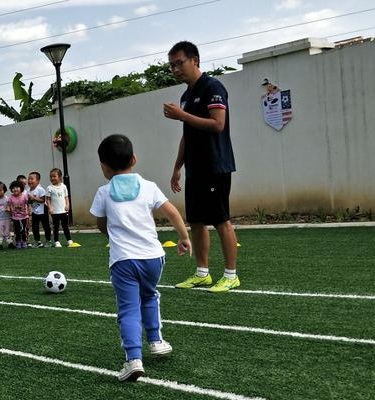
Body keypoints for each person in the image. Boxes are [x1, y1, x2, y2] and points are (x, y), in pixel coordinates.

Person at [90, 134, 192, 381]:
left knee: (128, 309)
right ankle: (156, 341)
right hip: (153, 258)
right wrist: (184, 237)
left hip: (123, 261)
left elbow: (100, 223)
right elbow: (171, 212)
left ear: (104, 167)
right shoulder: (149, 186)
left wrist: (111, 234)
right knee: (149, 296)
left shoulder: (103, 193)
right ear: (134, 159)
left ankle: (134, 359)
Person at [164, 41, 240, 293]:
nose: (175, 69)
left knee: (221, 220)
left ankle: (231, 275)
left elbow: (217, 124)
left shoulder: (213, 87)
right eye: (171, 65)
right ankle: (202, 273)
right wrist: (177, 167)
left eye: (179, 63)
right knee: (196, 221)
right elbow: (188, 134)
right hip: (195, 168)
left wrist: (182, 115)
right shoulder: (186, 95)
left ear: (194, 60)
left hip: (215, 165)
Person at [47, 168, 79, 248]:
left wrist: (68, 205)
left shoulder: (64, 186)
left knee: (65, 226)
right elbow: (48, 199)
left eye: (54, 176)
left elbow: (66, 197)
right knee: (56, 227)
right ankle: (57, 241)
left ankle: (69, 240)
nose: (52, 178)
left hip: (63, 211)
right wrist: (50, 207)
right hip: (55, 212)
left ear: (60, 177)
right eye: (51, 177)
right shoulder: (49, 188)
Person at [26, 171, 51, 248]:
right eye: (29, 179)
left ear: (37, 181)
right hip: (35, 211)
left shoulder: (40, 189)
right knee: (35, 227)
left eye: (32, 179)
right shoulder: (28, 191)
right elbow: (29, 202)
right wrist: (29, 200)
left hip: (43, 210)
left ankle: (48, 240)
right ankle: (37, 241)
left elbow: (43, 200)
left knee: (46, 226)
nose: (30, 181)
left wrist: (33, 198)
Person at [7, 180, 30, 249]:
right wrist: (8, 209)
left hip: (24, 217)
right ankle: (18, 242)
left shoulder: (24, 196)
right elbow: (9, 205)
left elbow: (28, 204)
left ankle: (24, 241)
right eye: (13, 188)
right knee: (16, 230)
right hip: (15, 217)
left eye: (17, 187)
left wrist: (28, 212)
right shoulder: (11, 197)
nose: (15, 189)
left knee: (23, 230)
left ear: (21, 188)